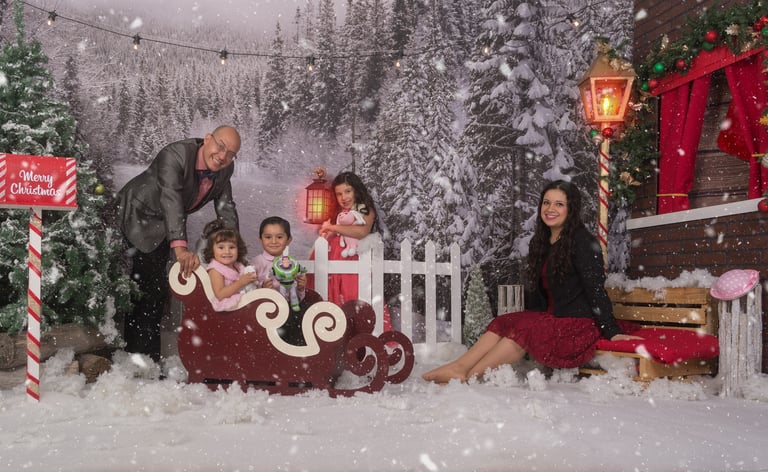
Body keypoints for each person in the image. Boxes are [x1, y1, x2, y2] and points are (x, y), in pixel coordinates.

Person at [422, 180, 643, 384]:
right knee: (505, 321)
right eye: (546, 203)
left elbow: (596, 290)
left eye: (559, 204)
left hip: (578, 325)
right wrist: (528, 318)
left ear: (571, 209)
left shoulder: (584, 242)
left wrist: (611, 330)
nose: (550, 209)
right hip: (553, 319)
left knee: (525, 329)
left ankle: (469, 376)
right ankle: (459, 366)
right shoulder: (543, 242)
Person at [115, 125, 241, 361]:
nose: (223, 156)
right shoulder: (174, 155)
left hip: (165, 223)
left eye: (231, 153)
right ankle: (140, 359)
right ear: (207, 139)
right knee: (148, 287)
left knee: (156, 290)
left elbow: (226, 207)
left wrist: (236, 252)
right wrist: (181, 251)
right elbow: (172, 200)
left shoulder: (225, 168)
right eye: (220, 146)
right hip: (138, 215)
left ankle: (145, 357)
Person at [311, 171, 393, 332]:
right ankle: (339, 339)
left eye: (348, 191)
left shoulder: (365, 210)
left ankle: (366, 338)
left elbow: (361, 232)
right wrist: (328, 233)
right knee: (335, 297)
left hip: (354, 261)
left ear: (356, 190)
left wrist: (333, 227)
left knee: (356, 297)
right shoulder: (340, 214)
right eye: (339, 194)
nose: (344, 197)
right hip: (336, 261)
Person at [252, 216, 308, 344]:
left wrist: (300, 288)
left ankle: (299, 351)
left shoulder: (291, 263)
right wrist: (263, 290)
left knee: (304, 313)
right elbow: (249, 291)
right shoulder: (257, 263)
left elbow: (296, 295)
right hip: (268, 310)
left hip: (289, 306)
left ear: (289, 240)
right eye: (268, 237)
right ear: (260, 239)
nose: (273, 241)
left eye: (279, 237)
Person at [203, 225, 258, 312]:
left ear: (238, 249)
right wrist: (240, 282)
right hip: (228, 310)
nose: (227, 252)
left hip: (243, 304)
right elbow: (220, 294)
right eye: (221, 247)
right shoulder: (215, 270)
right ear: (212, 250)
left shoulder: (239, 267)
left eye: (231, 247)